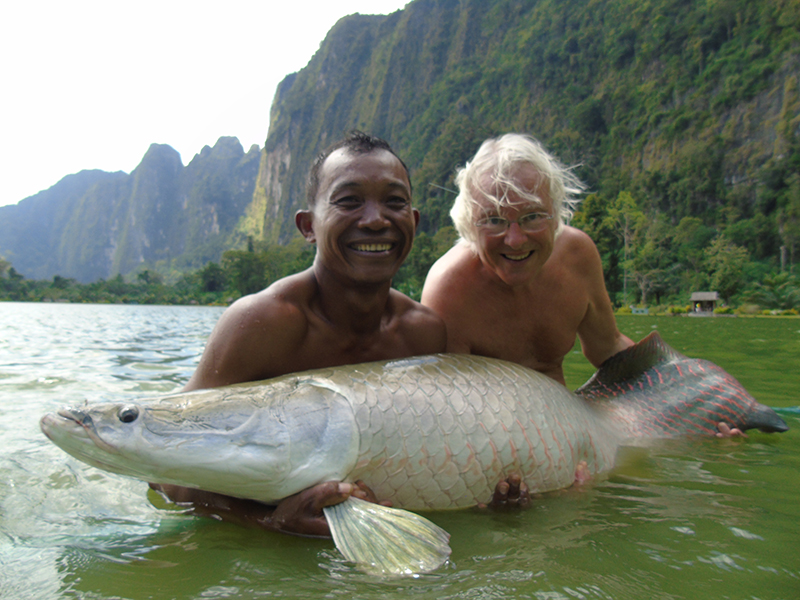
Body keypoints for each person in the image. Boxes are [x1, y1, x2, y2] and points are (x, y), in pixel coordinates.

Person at [152, 131, 449, 536]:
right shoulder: (260, 324)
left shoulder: (423, 336)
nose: (376, 219)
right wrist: (269, 523)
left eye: (394, 202)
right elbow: (162, 470)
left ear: (412, 222)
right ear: (308, 226)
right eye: (349, 201)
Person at [420, 133, 743, 437]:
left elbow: (609, 349)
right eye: (493, 220)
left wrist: (697, 403)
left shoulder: (578, 255)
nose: (516, 240)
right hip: (495, 436)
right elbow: (449, 411)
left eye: (533, 216)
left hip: (572, 430)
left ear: (556, 212)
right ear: (468, 224)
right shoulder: (449, 289)